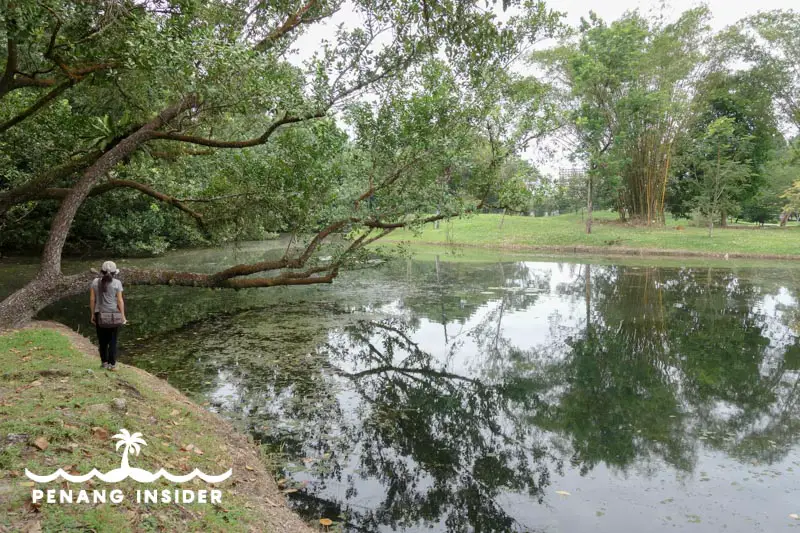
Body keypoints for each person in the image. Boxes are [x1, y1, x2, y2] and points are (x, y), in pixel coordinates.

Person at [89, 261, 126, 370]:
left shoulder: (95, 282)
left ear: (101, 271)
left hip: (99, 313)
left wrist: (92, 314)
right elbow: (120, 301)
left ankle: (104, 363)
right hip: (114, 314)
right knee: (113, 340)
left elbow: (92, 299)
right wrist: (123, 316)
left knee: (102, 340)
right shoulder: (117, 283)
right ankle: (112, 364)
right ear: (115, 273)